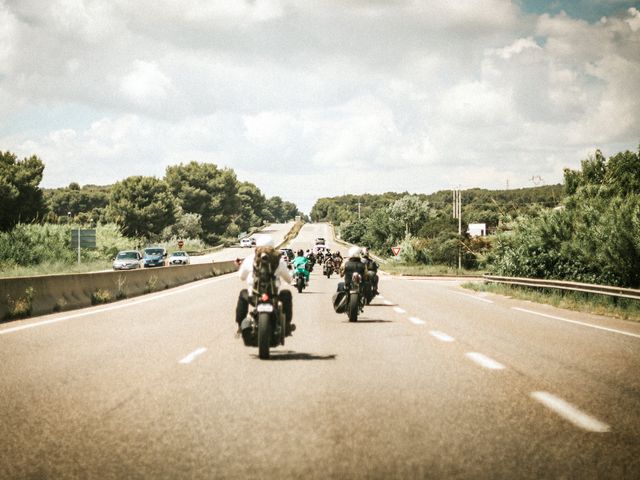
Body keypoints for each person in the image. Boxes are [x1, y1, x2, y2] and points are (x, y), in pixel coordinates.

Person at [235, 236, 294, 335]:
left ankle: (240, 325)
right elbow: (288, 279)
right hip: (274, 296)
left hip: (254, 296)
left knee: (242, 294)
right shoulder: (279, 260)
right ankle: (287, 325)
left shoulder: (250, 259)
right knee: (287, 294)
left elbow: (241, 277)